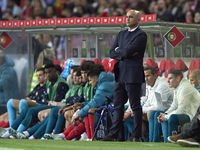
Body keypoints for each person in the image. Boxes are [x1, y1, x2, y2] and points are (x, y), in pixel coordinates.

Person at [102, 9, 147, 142]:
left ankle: (136, 135)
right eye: (127, 17)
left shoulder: (141, 35)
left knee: (135, 106)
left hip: (133, 75)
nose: (127, 19)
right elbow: (112, 52)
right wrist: (122, 52)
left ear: (138, 19)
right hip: (120, 74)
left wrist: (121, 51)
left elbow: (127, 52)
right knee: (118, 106)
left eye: (131, 17)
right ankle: (114, 134)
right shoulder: (121, 34)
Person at [44, 67, 115, 140]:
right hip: (108, 108)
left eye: (90, 80)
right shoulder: (102, 83)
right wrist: (82, 105)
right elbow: (96, 101)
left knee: (88, 112)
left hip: (115, 109)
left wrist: (79, 113)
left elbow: (96, 102)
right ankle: (63, 136)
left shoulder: (105, 85)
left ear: (96, 78)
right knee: (85, 112)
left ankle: (88, 138)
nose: (89, 83)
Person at [2, 64, 68, 138]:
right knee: (24, 110)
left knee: (30, 111)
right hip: (48, 104)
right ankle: (11, 131)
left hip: (54, 105)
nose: (48, 75)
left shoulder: (61, 84)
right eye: (46, 73)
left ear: (55, 72)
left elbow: (56, 101)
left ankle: (18, 132)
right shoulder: (49, 82)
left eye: (49, 72)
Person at [124, 66, 174, 141]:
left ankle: (152, 140)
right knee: (131, 116)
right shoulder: (149, 84)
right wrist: (132, 110)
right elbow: (145, 100)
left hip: (166, 110)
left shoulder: (162, 85)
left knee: (150, 113)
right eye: (144, 76)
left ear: (155, 76)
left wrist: (139, 110)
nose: (145, 79)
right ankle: (139, 138)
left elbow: (158, 107)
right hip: (154, 109)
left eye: (148, 76)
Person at [157, 69, 200, 143]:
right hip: (186, 113)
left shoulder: (185, 88)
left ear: (178, 78)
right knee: (155, 114)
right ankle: (161, 141)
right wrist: (165, 114)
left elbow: (181, 110)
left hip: (191, 115)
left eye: (170, 78)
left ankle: (171, 142)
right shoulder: (178, 87)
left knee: (172, 117)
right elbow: (174, 105)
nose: (167, 81)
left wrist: (166, 117)